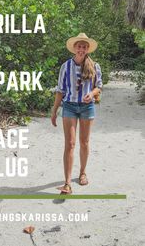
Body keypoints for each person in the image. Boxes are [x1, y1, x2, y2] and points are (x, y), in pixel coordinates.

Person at [51, 33, 103, 194]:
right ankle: (67, 183)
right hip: (69, 106)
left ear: (88, 49)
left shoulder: (94, 66)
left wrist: (92, 94)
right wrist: (54, 111)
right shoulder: (65, 66)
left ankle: (82, 173)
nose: (81, 49)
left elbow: (99, 86)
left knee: (84, 142)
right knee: (70, 144)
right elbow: (60, 90)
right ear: (75, 48)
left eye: (84, 47)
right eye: (79, 46)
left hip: (87, 107)